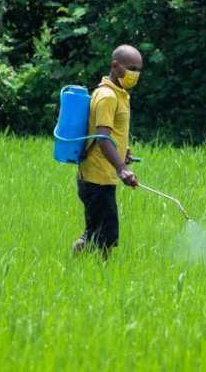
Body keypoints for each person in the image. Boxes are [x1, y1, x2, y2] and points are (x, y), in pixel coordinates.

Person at [73, 44, 143, 257]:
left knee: (95, 232)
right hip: (97, 178)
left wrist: (123, 152)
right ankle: (98, 275)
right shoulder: (107, 96)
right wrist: (121, 167)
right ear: (115, 65)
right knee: (105, 238)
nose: (135, 74)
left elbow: (111, 134)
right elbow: (102, 138)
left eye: (139, 70)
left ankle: (79, 264)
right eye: (131, 68)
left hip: (100, 175)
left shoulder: (118, 93)